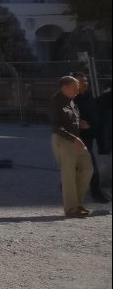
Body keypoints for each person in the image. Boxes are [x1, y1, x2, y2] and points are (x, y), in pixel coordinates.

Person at [51, 75, 94, 217]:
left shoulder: (71, 99)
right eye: (74, 88)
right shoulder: (55, 102)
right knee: (68, 174)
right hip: (63, 140)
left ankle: (76, 204)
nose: (77, 91)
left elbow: (70, 118)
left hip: (75, 139)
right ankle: (71, 209)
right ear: (65, 87)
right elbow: (56, 126)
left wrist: (79, 123)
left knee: (87, 169)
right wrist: (73, 138)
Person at [72, 72, 110, 203]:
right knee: (89, 164)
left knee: (82, 165)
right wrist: (79, 123)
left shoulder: (88, 96)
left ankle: (72, 186)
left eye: (86, 81)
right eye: (82, 81)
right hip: (77, 137)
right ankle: (95, 191)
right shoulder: (71, 98)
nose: (85, 83)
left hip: (89, 135)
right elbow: (62, 118)